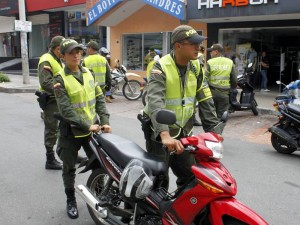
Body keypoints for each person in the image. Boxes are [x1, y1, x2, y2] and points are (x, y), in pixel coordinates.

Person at [143, 25, 222, 189]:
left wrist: (215, 133)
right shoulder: (161, 67)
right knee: (159, 180)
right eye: (193, 44)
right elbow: (155, 100)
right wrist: (164, 134)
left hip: (184, 131)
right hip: (159, 132)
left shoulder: (196, 67)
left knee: (190, 177)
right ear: (178, 46)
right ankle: (152, 214)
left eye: (199, 44)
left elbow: (205, 99)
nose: (198, 48)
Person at [53, 39, 112, 219]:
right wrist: (88, 125)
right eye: (71, 52)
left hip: (91, 131)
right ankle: (71, 200)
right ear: (63, 56)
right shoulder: (59, 80)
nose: (76, 55)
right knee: (69, 168)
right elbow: (66, 110)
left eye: (79, 51)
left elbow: (99, 98)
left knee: (100, 164)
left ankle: (100, 193)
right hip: (71, 132)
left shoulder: (88, 73)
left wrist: (105, 120)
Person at [37, 35, 65, 170]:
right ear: (57, 48)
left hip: (59, 100)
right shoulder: (46, 60)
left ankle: (67, 154)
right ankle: (50, 159)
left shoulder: (57, 59)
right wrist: (64, 91)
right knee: (51, 129)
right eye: (63, 49)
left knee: (65, 128)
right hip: (51, 100)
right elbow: (46, 83)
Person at [205, 44, 237, 122]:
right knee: (222, 116)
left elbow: (204, 79)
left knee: (211, 115)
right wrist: (232, 88)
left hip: (211, 93)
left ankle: (212, 132)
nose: (210, 53)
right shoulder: (230, 62)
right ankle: (218, 132)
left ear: (216, 52)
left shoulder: (210, 62)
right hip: (224, 94)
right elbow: (234, 79)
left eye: (211, 52)